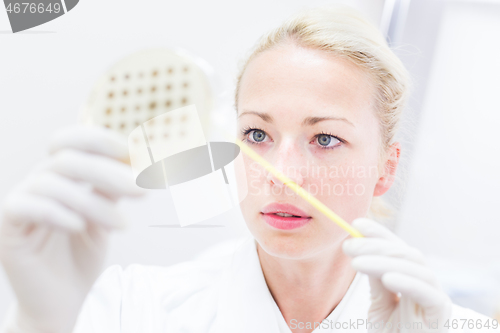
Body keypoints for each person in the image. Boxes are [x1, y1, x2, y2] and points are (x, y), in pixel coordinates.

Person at [0, 6, 498, 333]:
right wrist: (40, 321)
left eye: (326, 138)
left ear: (384, 170)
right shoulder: (135, 309)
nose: (282, 174)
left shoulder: (447, 325)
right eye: (257, 135)